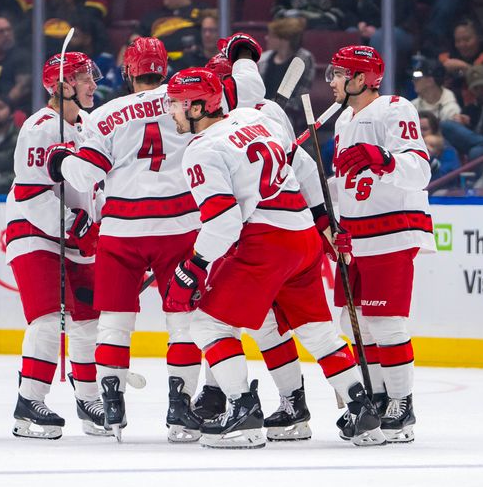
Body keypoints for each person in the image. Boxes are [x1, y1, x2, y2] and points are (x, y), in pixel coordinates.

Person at [164, 67, 385, 449]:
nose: (171, 112)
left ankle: (243, 413)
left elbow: (223, 222)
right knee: (317, 331)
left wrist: (194, 265)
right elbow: (304, 167)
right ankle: (361, 409)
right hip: (302, 237)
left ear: (198, 106)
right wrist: (322, 220)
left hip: (266, 242)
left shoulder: (201, 150)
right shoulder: (257, 119)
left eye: (177, 104)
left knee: (208, 325)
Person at [45, 37, 205, 443]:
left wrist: (63, 160)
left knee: (115, 323)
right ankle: (180, 410)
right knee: (183, 322)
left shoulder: (105, 114)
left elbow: (85, 177)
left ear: (128, 71)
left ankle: (112, 405)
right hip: (179, 225)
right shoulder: (187, 100)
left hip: (122, 230)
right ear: (164, 67)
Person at [327, 45, 436, 443]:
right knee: (355, 324)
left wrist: (383, 157)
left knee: (386, 322)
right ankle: (376, 397)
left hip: (392, 230)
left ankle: (402, 403)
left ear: (360, 79)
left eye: (339, 74)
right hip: (357, 236)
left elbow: (420, 170)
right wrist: (335, 221)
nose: (333, 81)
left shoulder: (394, 108)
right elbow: (346, 184)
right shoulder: (342, 121)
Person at [5, 51, 110, 440]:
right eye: (85, 79)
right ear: (63, 86)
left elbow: (94, 187)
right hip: (34, 231)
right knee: (48, 318)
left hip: (76, 236)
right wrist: (77, 226)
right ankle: (29, 403)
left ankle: (88, 399)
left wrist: (103, 227)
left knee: (87, 319)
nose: (93, 85)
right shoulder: (39, 129)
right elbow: (32, 194)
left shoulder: (88, 127)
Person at [134, 0, 207, 72]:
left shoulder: (202, 11)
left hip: (192, 64)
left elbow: (213, 35)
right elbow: (133, 40)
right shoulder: (152, 16)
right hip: (157, 66)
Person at [257, 17, 314, 132]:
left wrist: (271, 109)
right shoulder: (264, 58)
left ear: (284, 39)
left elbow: (299, 99)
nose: (266, 38)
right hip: (260, 112)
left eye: (271, 36)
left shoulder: (303, 59)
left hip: (287, 115)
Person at [439, 17, 483, 106]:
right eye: (458, 41)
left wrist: (466, 68)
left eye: (467, 40)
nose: (462, 45)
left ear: (479, 38)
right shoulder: (448, 58)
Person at [410, 56, 461, 123]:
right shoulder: (412, 107)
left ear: (430, 81)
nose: (413, 81)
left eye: (417, 79)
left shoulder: (451, 110)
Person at [419, 110, 459, 184]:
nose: (420, 133)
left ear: (434, 131)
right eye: (417, 129)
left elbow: (447, 176)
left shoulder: (446, 149)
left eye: (424, 129)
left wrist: (430, 160)